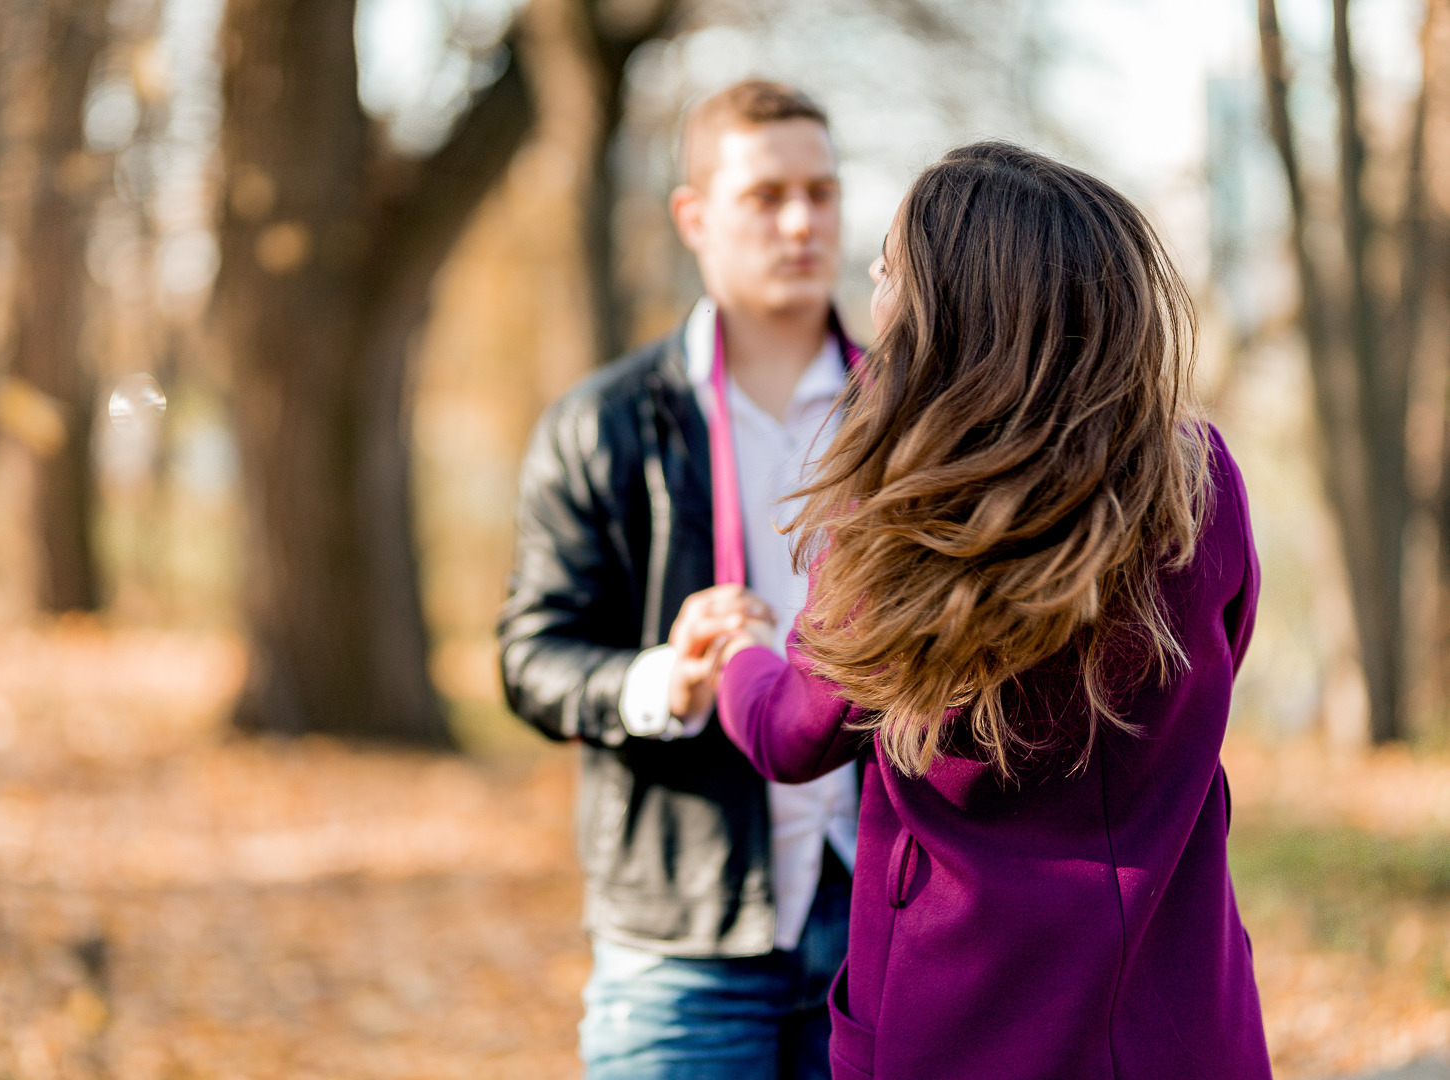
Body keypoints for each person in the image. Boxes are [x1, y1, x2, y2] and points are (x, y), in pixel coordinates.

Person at [678, 142, 1273, 1079]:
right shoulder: (1199, 478)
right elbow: (1221, 661)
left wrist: (742, 654)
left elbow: (797, 732)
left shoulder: (904, 507)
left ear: (942, 314)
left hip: (959, 1026)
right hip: (1179, 1019)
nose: (870, 294)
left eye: (886, 271)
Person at [497, 80, 861, 1078]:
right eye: (766, 195)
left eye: (822, 193)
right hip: (679, 938)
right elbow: (530, 659)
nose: (802, 222)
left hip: (881, 924)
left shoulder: (911, 416)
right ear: (694, 217)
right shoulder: (601, 423)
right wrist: (666, 679)